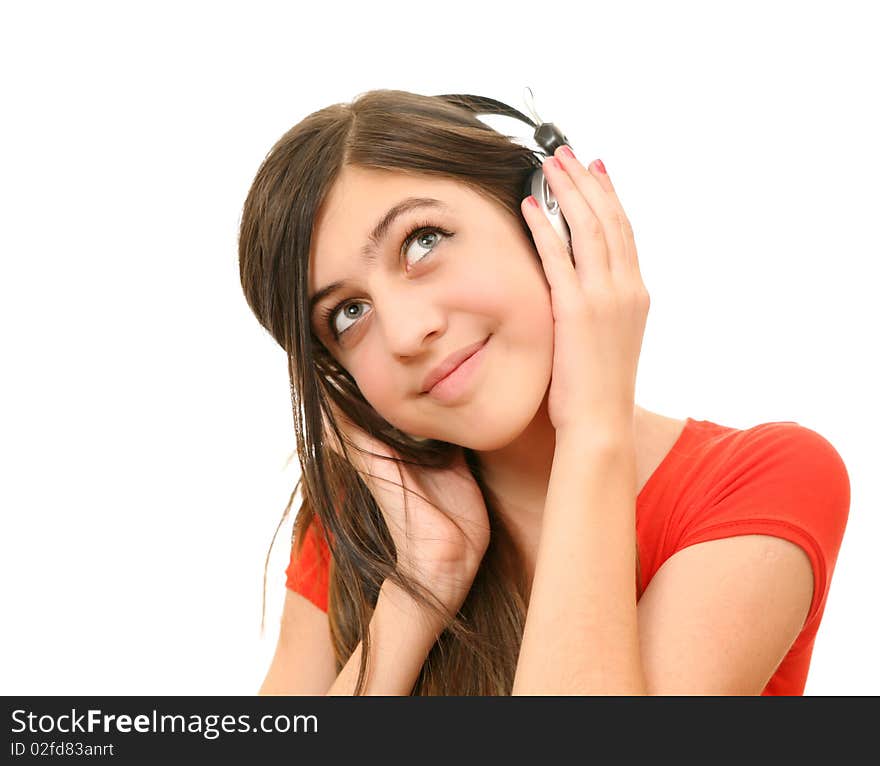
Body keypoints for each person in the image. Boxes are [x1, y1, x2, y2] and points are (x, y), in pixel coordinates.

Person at [238, 89, 850, 696]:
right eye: (348, 313)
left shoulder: (762, 482)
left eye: (422, 241)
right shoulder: (367, 525)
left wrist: (591, 423)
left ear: (550, 215)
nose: (404, 332)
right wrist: (419, 586)